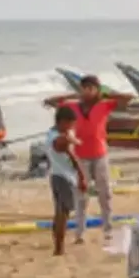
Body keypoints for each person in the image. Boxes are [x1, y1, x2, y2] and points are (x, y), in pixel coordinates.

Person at [59, 74, 131, 241]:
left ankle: (107, 229)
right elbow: (52, 102)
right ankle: (80, 232)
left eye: (91, 89)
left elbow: (128, 99)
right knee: (81, 195)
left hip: (100, 155)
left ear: (97, 90)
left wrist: (106, 93)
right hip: (80, 156)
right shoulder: (73, 107)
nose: (87, 92)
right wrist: (74, 96)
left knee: (104, 193)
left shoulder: (104, 105)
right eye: (84, 89)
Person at [46, 105, 87, 255]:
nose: (72, 127)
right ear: (62, 122)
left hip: (58, 175)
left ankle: (58, 243)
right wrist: (82, 176)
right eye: (70, 124)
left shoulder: (55, 133)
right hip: (63, 177)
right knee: (63, 212)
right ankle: (59, 247)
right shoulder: (57, 138)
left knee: (60, 211)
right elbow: (70, 153)